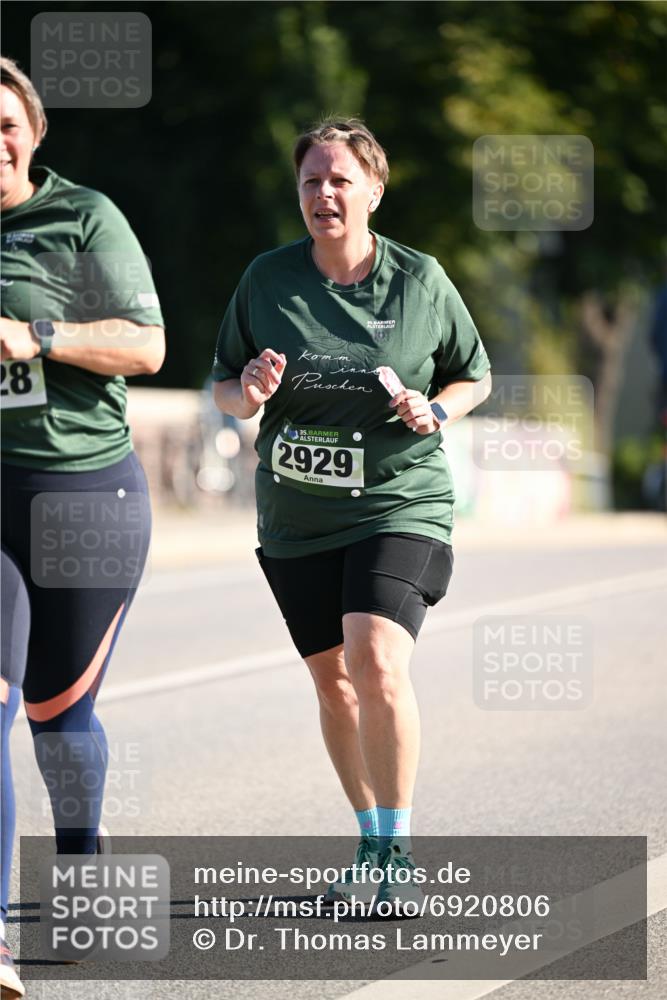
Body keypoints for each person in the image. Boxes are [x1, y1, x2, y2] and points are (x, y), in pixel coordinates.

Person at [212, 117, 491, 914]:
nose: (323, 194)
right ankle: (368, 841)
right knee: (333, 684)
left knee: (374, 658)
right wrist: (250, 393)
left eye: (339, 180)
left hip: (397, 501)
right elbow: (223, 386)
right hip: (296, 517)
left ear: (373, 188)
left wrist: (433, 411)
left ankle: (397, 855)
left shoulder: (419, 281)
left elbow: (471, 376)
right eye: (310, 181)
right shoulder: (266, 280)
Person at [0, 56, 165, 995]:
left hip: (78, 492)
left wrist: (41, 338)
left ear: (33, 133)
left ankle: (80, 863)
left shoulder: (83, 218)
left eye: (5, 125)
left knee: (59, 715)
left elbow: (148, 346)